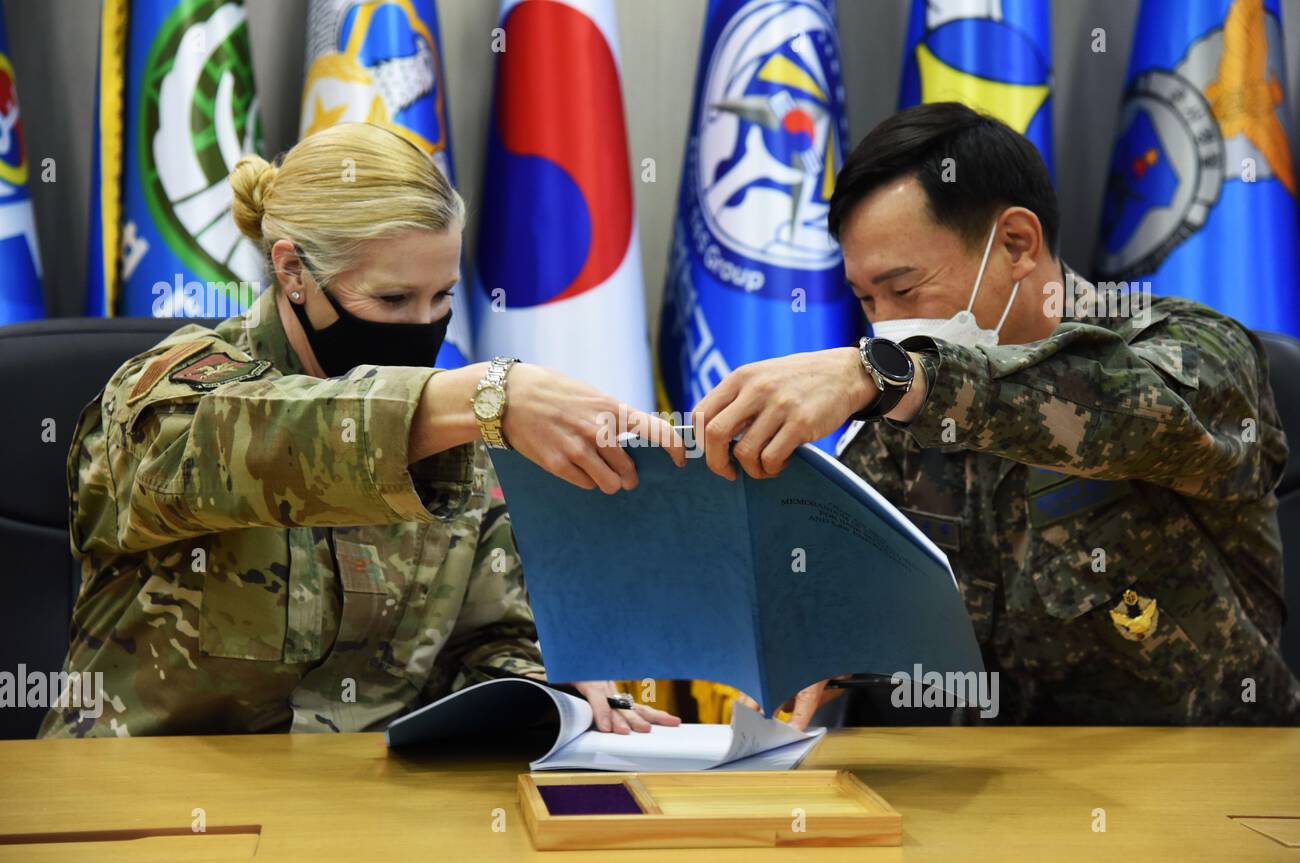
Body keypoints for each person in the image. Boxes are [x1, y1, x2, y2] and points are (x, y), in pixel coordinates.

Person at [39, 122, 683, 738]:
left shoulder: (460, 425)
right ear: (293, 273)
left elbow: (488, 639)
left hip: (367, 804)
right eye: (395, 300)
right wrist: (489, 393)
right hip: (156, 807)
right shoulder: (166, 390)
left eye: (442, 297)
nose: (424, 325)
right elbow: (258, 437)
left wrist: (552, 691)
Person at [697, 102, 1300, 727]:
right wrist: (816, 632)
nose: (884, 325)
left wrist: (894, 376)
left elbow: (1115, 408)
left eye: (904, 290)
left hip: (1203, 790)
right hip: (986, 794)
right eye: (868, 299)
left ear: (1015, 244)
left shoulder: (1197, 352)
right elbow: (843, 577)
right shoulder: (904, 409)